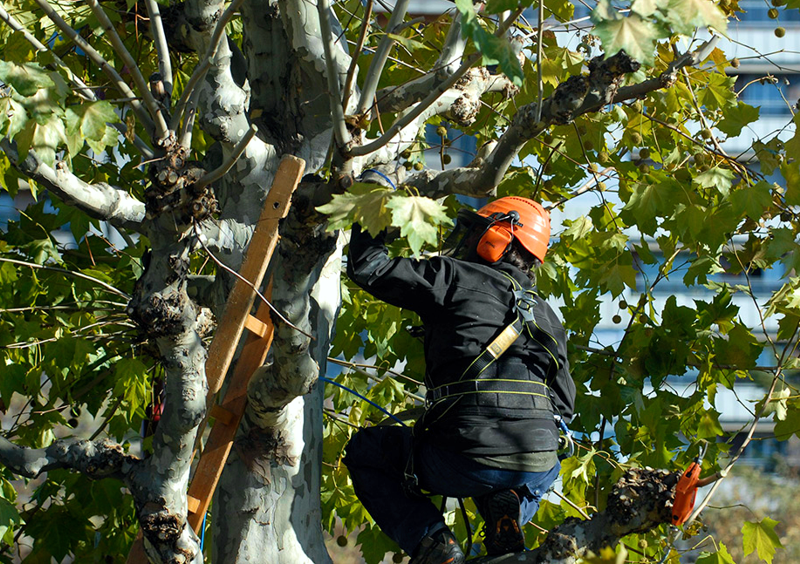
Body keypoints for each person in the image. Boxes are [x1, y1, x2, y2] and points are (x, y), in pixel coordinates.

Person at [343, 190, 575, 564]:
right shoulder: (548, 316)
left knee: (368, 452)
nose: (466, 241)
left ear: (497, 237)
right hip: (535, 463)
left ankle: (434, 544)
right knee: (538, 461)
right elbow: (563, 408)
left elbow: (369, 266)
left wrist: (373, 202)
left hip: (462, 458)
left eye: (473, 232)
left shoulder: (452, 276)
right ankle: (512, 503)